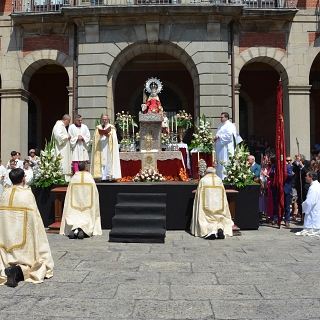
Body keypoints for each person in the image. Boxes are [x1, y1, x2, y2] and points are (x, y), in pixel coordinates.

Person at [0, 168, 54, 287]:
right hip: (22, 240)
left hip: (6, 240)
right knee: (31, 263)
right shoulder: (27, 194)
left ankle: (10, 270)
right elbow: (35, 219)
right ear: (23, 179)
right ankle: (17, 270)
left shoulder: (5, 193)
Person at [60, 161, 102, 239]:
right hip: (87, 206)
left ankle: (74, 230)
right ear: (86, 168)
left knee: (75, 217)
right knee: (86, 217)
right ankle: (82, 230)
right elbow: (95, 191)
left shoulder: (74, 177)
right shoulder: (89, 177)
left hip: (75, 204)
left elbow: (69, 192)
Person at [190, 167, 234, 239]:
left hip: (206, 206)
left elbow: (199, 194)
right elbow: (223, 194)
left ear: (206, 172)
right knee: (219, 218)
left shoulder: (203, 180)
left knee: (205, 219)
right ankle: (220, 228)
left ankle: (211, 230)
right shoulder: (219, 180)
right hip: (219, 205)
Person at [91, 115, 122, 181]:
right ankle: (101, 177)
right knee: (101, 161)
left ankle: (108, 176)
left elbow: (114, 139)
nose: (104, 121)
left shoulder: (112, 128)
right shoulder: (98, 127)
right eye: (103, 119)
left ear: (108, 119)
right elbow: (95, 137)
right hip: (101, 147)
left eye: (106, 119)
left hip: (108, 147)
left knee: (107, 161)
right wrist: (100, 134)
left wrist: (108, 135)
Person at [214, 112, 238, 180]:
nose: (220, 119)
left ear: (226, 118)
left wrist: (219, 137)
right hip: (220, 148)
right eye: (220, 117)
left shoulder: (230, 125)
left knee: (225, 161)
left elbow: (229, 136)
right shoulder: (221, 126)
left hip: (225, 148)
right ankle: (220, 177)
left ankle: (225, 177)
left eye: (222, 117)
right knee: (220, 163)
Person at [295, 171, 320, 236]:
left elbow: (310, 201)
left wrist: (304, 205)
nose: (305, 177)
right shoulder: (316, 185)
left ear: (311, 177)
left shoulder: (314, 187)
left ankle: (312, 229)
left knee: (312, 219)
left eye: (307, 176)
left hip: (313, 209)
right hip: (316, 208)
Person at [52, 114, 72, 181]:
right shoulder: (59, 125)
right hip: (61, 150)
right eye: (68, 121)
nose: (68, 123)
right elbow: (58, 136)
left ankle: (66, 179)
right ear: (65, 120)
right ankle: (63, 180)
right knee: (63, 164)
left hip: (64, 149)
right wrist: (67, 136)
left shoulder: (62, 126)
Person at [292, 153, 311, 222]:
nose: (297, 158)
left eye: (298, 157)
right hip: (298, 184)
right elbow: (294, 171)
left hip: (305, 184)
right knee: (300, 200)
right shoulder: (296, 164)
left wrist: (302, 166)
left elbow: (307, 172)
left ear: (302, 158)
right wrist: (296, 164)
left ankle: (307, 216)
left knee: (305, 199)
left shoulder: (307, 163)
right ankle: (302, 216)